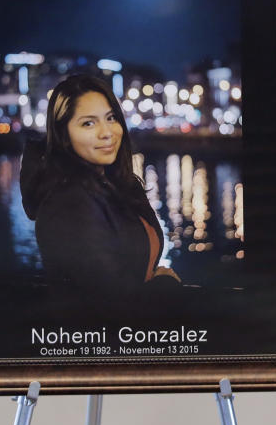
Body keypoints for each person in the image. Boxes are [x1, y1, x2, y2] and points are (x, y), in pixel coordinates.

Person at [20, 75, 179, 297]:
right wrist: (166, 285)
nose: (107, 133)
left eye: (111, 118)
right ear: (63, 134)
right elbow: (109, 307)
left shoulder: (121, 185)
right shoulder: (67, 203)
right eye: (88, 123)